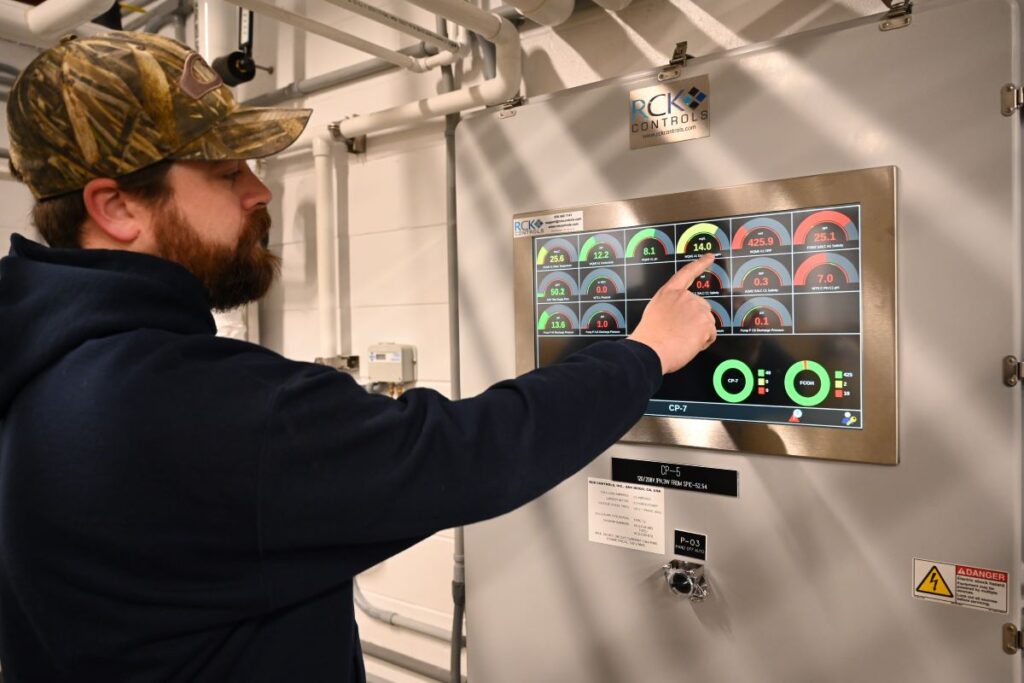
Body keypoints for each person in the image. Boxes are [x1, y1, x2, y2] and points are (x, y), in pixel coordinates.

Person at [0, 31, 716, 682]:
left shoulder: (32, 370)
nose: (260, 190)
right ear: (116, 206)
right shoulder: (180, 402)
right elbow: (467, 453)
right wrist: (646, 351)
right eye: (225, 172)